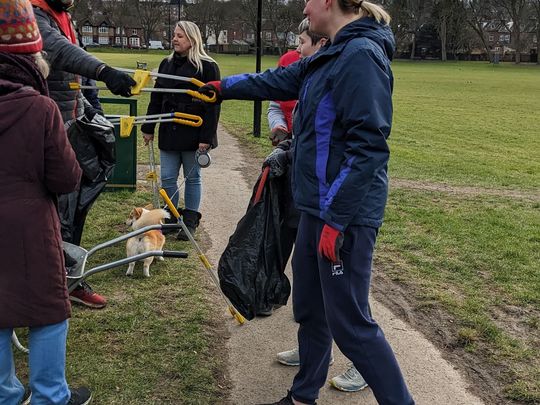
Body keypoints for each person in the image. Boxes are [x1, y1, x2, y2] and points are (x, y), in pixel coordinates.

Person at [199, 0, 414, 403]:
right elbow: (276, 80)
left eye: (309, 0)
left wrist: (337, 221)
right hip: (315, 207)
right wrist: (223, 88)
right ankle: (303, 396)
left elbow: (368, 148)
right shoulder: (329, 52)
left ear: (329, 2)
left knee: (350, 324)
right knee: (311, 310)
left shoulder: (360, 55)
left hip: (343, 216)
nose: (304, 6)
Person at [266, 18, 369, 395]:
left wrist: (337, 215)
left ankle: (362, 361)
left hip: (339, 202)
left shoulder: (351, 62)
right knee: (312, 291)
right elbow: (277, 100)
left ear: (321, 41)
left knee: (349, 299)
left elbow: (363, 146)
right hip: (308, 191)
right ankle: (312, 360)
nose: (297, 47)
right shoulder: (303, 64)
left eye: (303, 40)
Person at [0, 0, 91, 403]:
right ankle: (51, 395)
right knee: (49, 312)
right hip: (30, 227)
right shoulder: (39, 108)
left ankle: (4, 391)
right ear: (30, 57)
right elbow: (67, 177)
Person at [31, 0, 136, 308]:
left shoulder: (64, 16)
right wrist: (104, 70)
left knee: (75, 206)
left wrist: (93, 109)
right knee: (50, 214)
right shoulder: (33, 13)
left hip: (72, 124)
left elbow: (73, 80)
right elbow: (58, 50)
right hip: (44, 131)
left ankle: (70, 278)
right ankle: (49, 286)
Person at [141, 21, 220, 241]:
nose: (175, 39)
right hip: (169, 129)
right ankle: (170, 218)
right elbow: (156, 97)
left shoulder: (207, 66)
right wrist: (149, 127)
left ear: (192, 40)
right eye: (174, 35)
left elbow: (213, 105)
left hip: (194, 132)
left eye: (180, 36)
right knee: (167, 178)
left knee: (192, 177)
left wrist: (206, 138)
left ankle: (190, 221)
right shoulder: (166, 64)